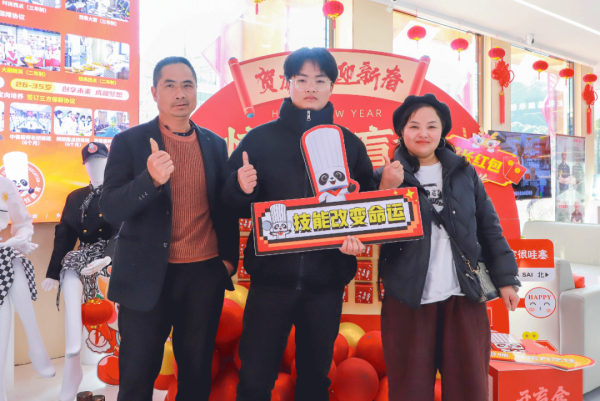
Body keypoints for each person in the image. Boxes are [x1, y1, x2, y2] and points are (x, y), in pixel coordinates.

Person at [222, 47, 401, 401]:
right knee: (254, 379)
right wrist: (239, 188)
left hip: (326, 285)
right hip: (269, 283)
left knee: (316, 380)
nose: (310, 88)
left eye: (320, 80)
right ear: (287, 83)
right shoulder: (259, 139)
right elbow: (229, 205)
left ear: (332, 86)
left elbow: (363, 207)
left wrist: (360, 233)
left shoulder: (350, 144)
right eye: (302, 79)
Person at [99, 56, 239, 401]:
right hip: (145, 277)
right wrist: (150, 180)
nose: (180, 93)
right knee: (137, 376)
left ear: (196, 91)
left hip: (202, 276)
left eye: (187, 85)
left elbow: (224, 208)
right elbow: (110, 207)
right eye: (170, 85)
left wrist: (226, 263)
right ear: (154, 92)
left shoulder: (215, 144)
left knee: (196, 374)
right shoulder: (129, 142)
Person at [373, 94, 520, 401]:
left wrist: (506, 279)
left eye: (431, 126)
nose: (423, 133)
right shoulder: (386, 176)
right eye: (414, 126)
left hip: (463, 294)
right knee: (409, 389)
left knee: (469, 387)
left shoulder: (464, 172)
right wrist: (385, 189)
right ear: (401, 131)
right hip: (408, 299)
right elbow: (371, 234)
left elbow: (489, 228)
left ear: (442, 131)